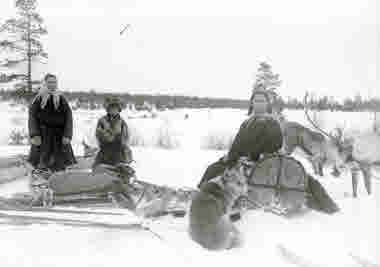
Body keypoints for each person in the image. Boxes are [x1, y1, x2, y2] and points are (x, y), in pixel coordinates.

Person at [198, 89, 283, 188]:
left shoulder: (272, 122)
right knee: (214, 168)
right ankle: (204, 193)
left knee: (226, 174)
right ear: (252, 103)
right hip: (240, 159)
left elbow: (276, 144)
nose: (259, 104)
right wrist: (230, 156)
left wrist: (253, 156)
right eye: (256, 101)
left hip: (259, 161)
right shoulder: (247, 123)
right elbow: (237, 143)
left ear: (267, 104)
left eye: (262, 101)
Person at [28, 73, 77, 173]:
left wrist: (67, 135)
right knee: (40, 163)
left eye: (54, 82)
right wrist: (34, 134)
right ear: (45, 84)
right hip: (42, 135)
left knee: (62, 164)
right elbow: (32, 118)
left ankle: (61, 179)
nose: (52, 85)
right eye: (50, 82)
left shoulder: (61, 99)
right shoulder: (38, 99)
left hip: (59, 136)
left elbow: (69, 118)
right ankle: (39, 177)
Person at [92, 96, 132, 169]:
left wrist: (125, 149)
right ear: (108, 109)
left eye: (115, 108)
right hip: (105, 152)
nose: (113, 110)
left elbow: (125, 138)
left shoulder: (122, 123)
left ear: (119, 109)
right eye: (111, 108)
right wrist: (112, 137)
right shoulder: (102, 121)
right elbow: (99, 135)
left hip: (119, 154)